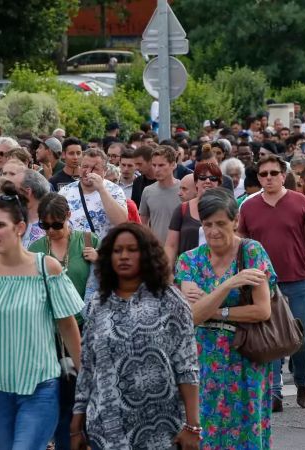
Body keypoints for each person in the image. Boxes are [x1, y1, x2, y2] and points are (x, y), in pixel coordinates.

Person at [0, 186, 84, 449]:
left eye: (0, 225)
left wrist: (86, 379)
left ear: (20, 227)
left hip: (40, 387)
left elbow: (68, 326)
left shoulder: (47, 267)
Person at [72, 223, 201, 450]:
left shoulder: (170, 300)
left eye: (132, 250)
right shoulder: (97, 305)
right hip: (107, 429)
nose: (124, 256)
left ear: (147, 254)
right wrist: (76, 424)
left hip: (161, 428)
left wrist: (193, 426)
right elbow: (87, 367)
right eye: (117, 250)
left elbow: (187, 366)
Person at [175, 188, 275, 448]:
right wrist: (228, 285)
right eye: (207, 224)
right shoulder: (189, 260)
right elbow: (193, 318)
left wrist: (214, 310)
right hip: (202, 359)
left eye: (221, 223)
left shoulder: (252, 252)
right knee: (203, 429)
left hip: (245, 356)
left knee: (245, 428)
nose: (214, 231)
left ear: (235, 221)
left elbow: (262, 310)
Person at [238, 155, 305, 411]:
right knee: (271, 338)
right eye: (263, 174)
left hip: (298, 279)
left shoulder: (299, 201)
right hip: (262, 283)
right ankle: (275, 392)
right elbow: (242, 244)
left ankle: (302, 382)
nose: (268, 178)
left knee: (298, 338)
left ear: (284, 175)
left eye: (273, 173)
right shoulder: (248, 207)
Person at [28, 193, 99, 300]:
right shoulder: (35, 249)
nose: (50, 230)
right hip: (51, 315)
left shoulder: (88, 240)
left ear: (68, 215)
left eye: (57, 225)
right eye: (45, 225)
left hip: (85, 314)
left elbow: (110, 276)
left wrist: (99, 260)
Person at [58, 149, 128, 239]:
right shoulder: (65, 191)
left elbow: (121, 221)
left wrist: (101, 189)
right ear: (79, 168)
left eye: (95, 168)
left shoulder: (114, 190)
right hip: (74, 250)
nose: (88, 172)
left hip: (104, 250)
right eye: (85, 166)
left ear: (105, 171)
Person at [164, 162, 223, 265]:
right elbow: (171, 246)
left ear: (219, 183)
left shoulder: (228, 209)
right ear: (196, 182)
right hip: (187, 272)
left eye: (213, 178)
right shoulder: (182, 209)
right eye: (202, 178)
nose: (208, 181)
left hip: (220, 273)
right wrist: (168, 273)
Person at [138, 146, 181, 242]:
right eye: (154, 165)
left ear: (173, 165)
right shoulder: (148, 191)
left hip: (181, 251)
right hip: (157, 250)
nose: (156, 169)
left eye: (161, 165)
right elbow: (143, 223)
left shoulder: (183, 189)